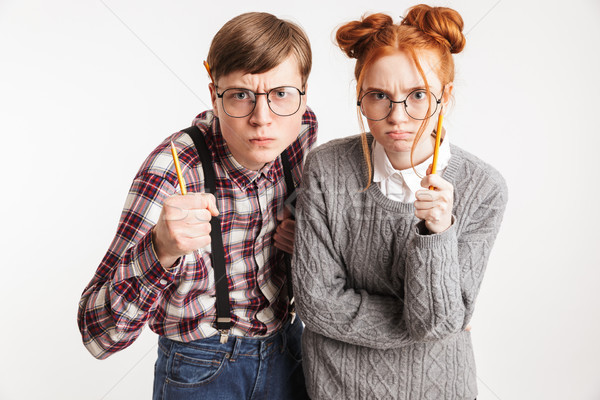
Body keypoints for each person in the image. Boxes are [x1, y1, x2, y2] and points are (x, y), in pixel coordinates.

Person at [78, 12, 316, 400]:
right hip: (201, 366)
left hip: (290, 352)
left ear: (303, 95)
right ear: (213, 95)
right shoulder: (172, 170)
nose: (262, 119)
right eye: (240, 94)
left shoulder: (300, 132)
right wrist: (160, 250)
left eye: (281, 94)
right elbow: (98, 336)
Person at [292, 5, 507, 400]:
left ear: (445, 96)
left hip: (438, 389)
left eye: (418, 96)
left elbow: (438, 322)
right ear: (360, 96)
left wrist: (436, 233)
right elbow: (317, 303)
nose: (397, 117)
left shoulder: (484, 188)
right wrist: (424, 325)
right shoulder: (326, 167)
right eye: (379, 96)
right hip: (337, 388)